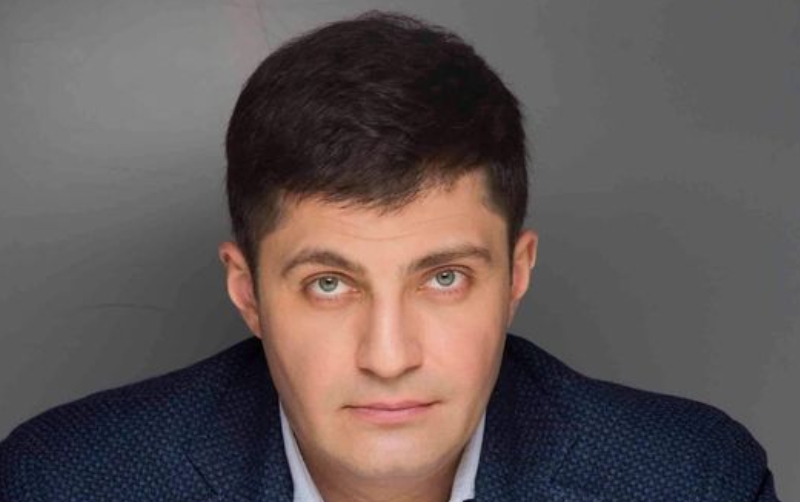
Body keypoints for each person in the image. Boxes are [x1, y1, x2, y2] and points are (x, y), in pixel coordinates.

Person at [0, 11, 780, 502]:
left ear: (517, 274)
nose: (388, 356)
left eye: (444, 278)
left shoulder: (696, 481)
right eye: (329, 284)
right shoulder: (59, 483)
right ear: (248, 292)